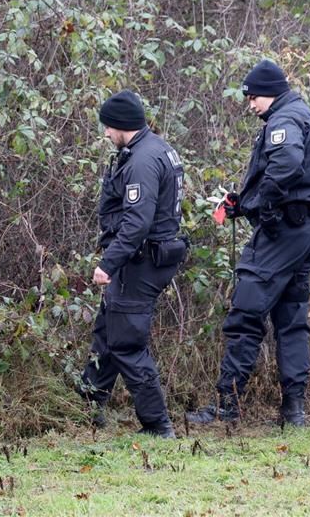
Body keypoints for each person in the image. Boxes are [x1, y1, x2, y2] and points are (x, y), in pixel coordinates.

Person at [187, 60, 310, 427]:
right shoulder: (309, 118)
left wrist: (265, 206)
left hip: (280, 233)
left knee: (245, 314)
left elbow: (285, 165)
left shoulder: (284, 120)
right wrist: (244, 202)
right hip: (305, 229)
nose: (250, 104)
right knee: (292, 319)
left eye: (253, 97)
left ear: (271, 91)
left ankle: (227, 407)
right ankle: (293, 411)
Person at [76, 90, 188, 438]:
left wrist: (108, 263)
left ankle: (157, 425)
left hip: (139, 262)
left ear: (121, 125)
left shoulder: (141, 160)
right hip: (145, 257)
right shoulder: (156, 148)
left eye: (108, 127)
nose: (106, 134)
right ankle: (89, 403)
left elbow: (137, 223)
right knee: (108, 330)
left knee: (125, 341)